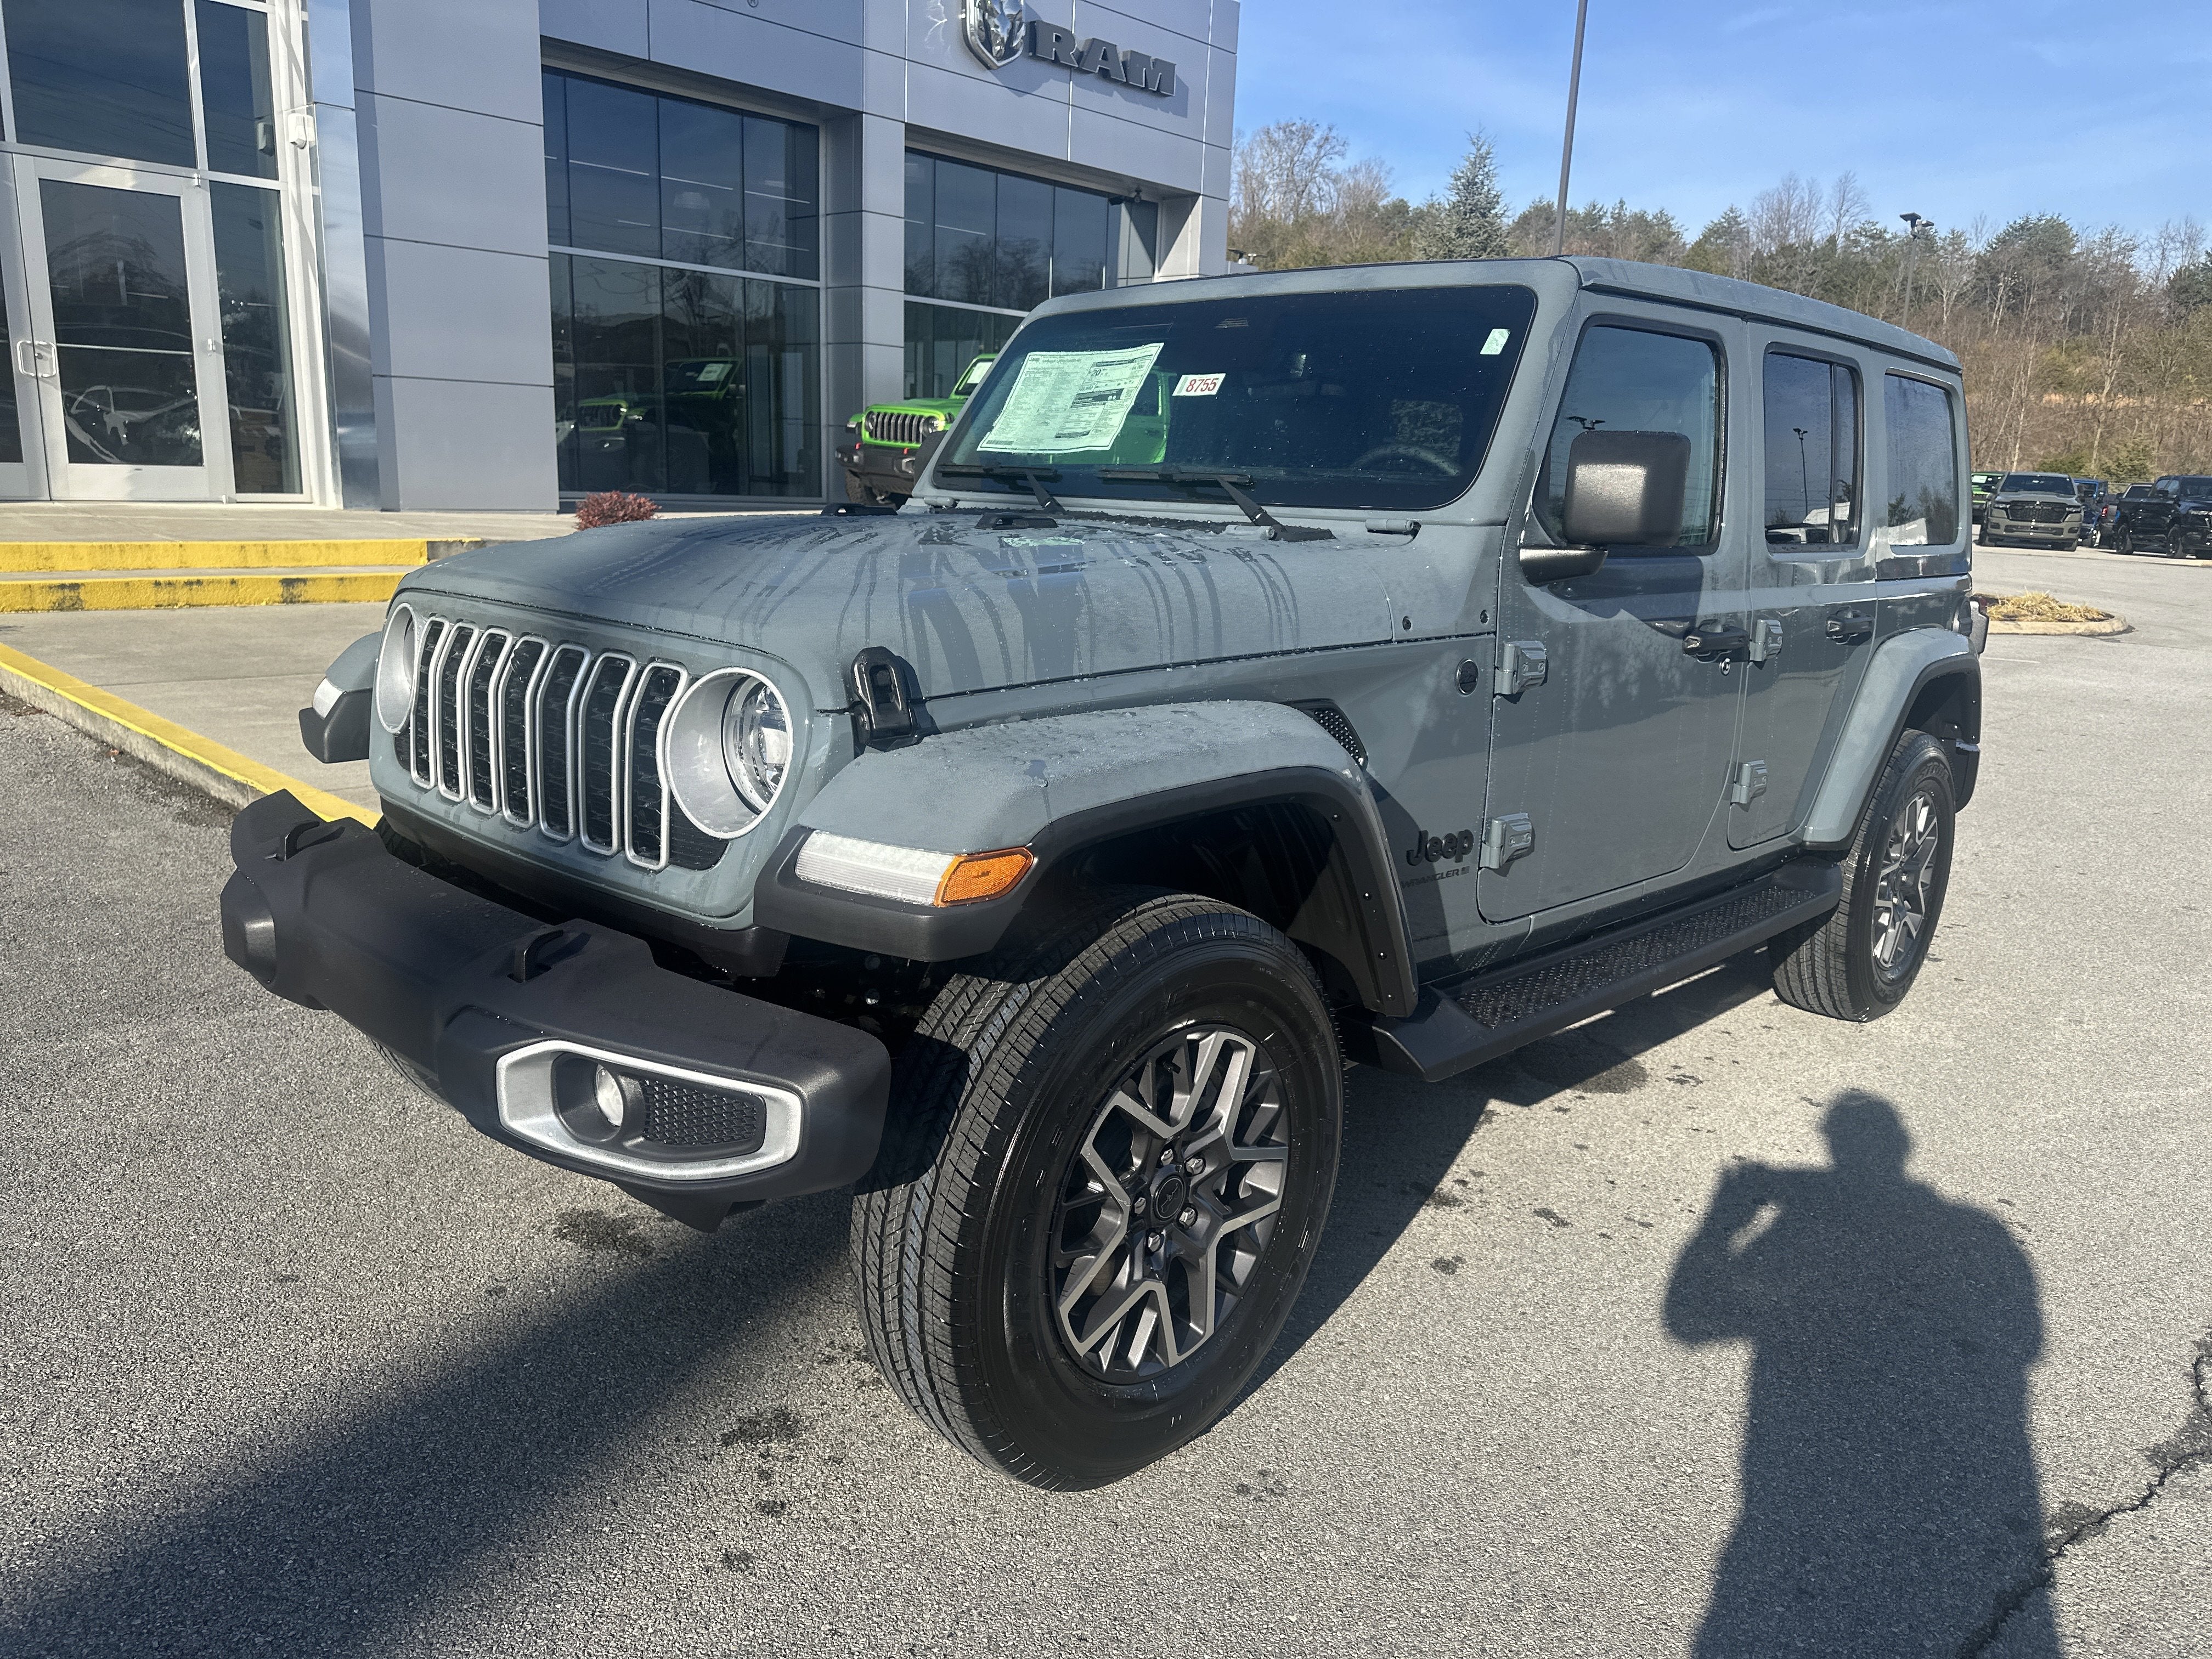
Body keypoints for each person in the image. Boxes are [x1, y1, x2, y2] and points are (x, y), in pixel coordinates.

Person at [1664, 1092, 2054, 1655]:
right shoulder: (1983, 1231)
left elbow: (1689, 1322)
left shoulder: (1795, 1237)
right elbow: (2028, 1343)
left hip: (1787, 1498)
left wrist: (1723, 1219)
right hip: (1983, 1488)